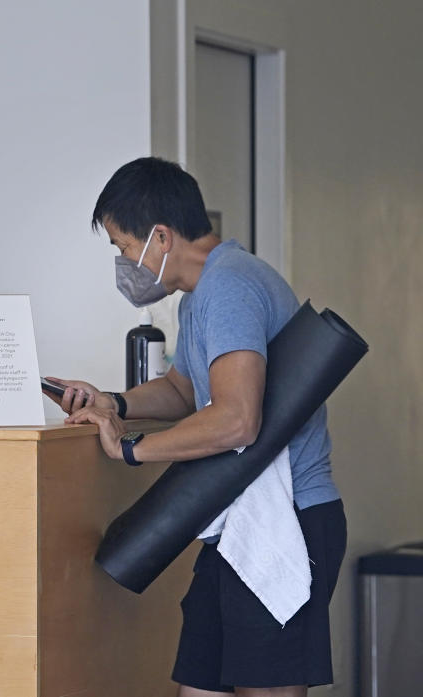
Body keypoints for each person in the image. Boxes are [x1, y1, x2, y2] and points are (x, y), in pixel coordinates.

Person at [44, 157, 346, 697]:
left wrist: (132, 450)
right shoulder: (205, 294)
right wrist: (113, 401)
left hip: (287, 522)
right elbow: (186, 391)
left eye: (124, 247)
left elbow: (235, 419)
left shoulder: (229, 288)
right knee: (199, 686)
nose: (124, 263)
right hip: (241, 523)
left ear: (161, 236)